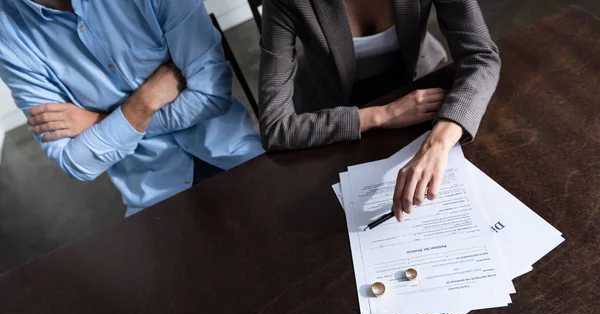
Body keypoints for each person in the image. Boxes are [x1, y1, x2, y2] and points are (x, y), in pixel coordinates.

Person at [0, 0, 264, 216]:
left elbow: (211, 95)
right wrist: (144, 102)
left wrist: (98, 121)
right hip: (154, 199)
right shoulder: (7, 37)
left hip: (237, 157)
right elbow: (75, 161)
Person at [259, 0, 500, 221]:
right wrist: (382, 114)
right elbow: (275, 128)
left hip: (417, 87)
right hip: (332, 110)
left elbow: (480, 56)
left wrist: (438, 142)